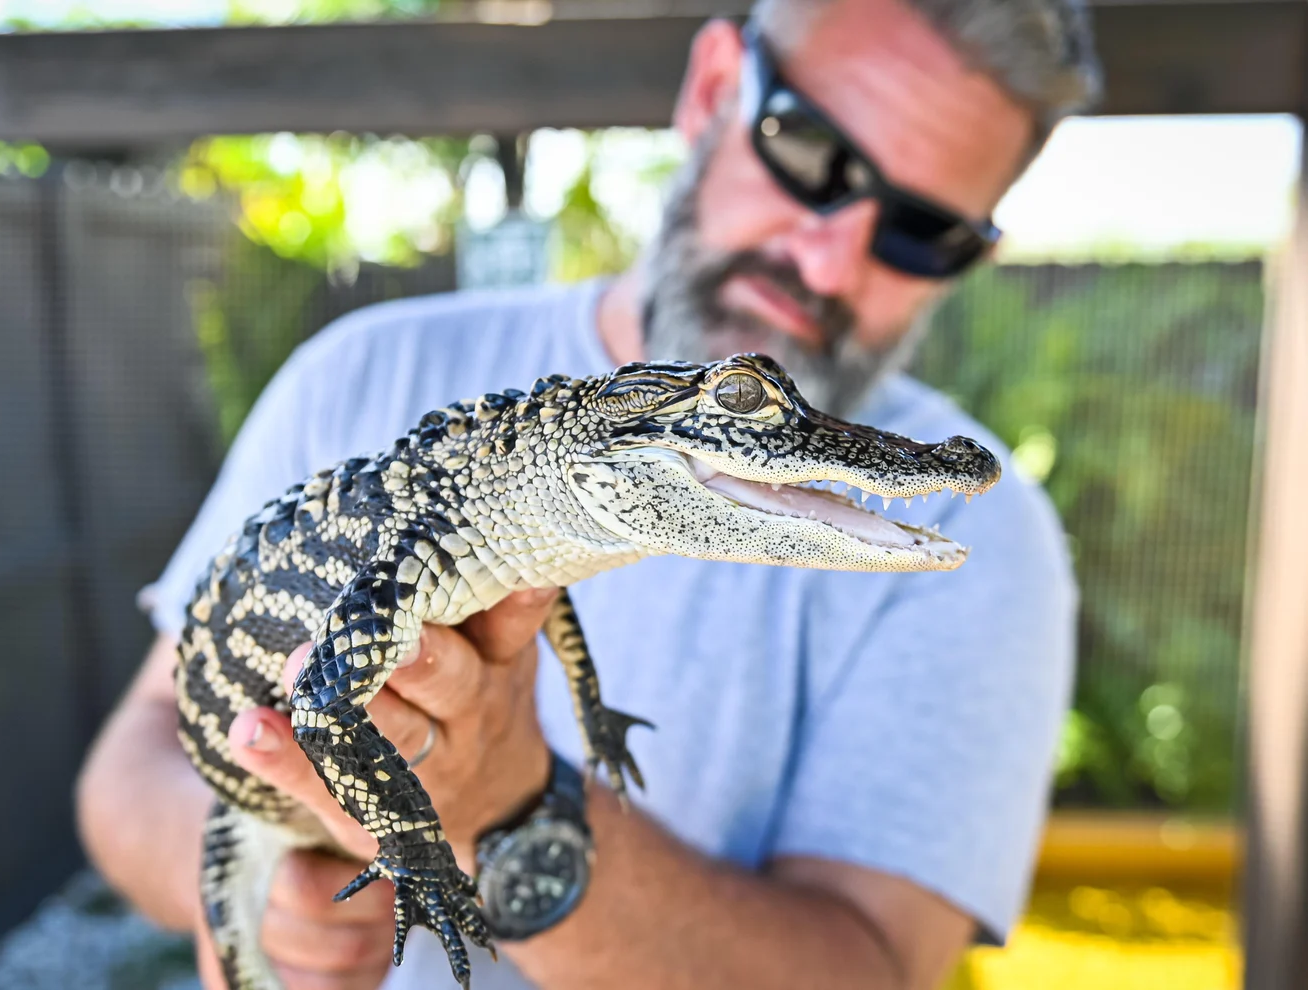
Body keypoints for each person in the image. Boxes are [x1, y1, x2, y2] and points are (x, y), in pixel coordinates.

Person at [77, 0, 1101, 987]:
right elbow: (137, 765)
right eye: (811, 153)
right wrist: (283, 898)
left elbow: (871, 974)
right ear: (713, 89)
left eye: (922, 230)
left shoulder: (989, 536)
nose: (827, 259)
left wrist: (510, 803)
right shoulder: (356, 375)